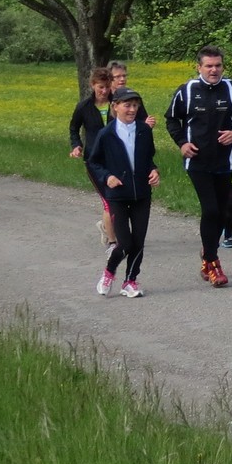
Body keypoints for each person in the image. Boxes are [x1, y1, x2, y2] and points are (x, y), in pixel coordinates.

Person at [165, 47, 232, 286]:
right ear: (199, 67)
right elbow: (171, 119)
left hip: (225, 161)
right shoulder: (187, 90)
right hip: (197, 161)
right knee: (211, 210)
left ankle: (207, 254)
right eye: (209, 66)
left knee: (223, 212)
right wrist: (182, 143)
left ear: (223, 66)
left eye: (218, 66)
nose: (214, 70)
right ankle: (213, 264)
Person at [87, 89, 160, 297]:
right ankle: (109, 272)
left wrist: (154, 171)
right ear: (115, 106)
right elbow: (94, 162)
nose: (132, 110)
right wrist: (107, 176)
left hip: (141, 194)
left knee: (138, 241)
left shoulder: (144, 130)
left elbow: (148, 158)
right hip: (117, 195)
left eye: (135, 105)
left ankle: (130, 281)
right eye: (127, 105)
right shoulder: (106, 134)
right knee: (125, 243)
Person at [70, 67, 116, 245]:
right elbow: (74, 128)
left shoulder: (117, 104)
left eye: (107, 87)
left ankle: (106, 227)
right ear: (93, 85)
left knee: (118, 198)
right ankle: (112, 242)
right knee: (108, 200)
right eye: (100, 87)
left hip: (115, 158)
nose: (104, 91)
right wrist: (76, 146)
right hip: (93, 160)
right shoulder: (84, 107)